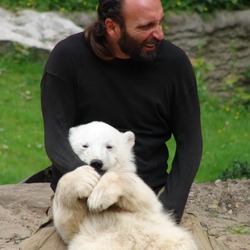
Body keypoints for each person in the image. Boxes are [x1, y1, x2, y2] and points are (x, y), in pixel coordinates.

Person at [20, 0, 204, 249]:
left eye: (160, 22)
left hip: (149, 197)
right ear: (112, 26)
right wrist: (90, 187)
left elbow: (190, 144)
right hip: (81, 203)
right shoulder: (68, 58)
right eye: (146, 26)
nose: (159, 34)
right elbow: (56, 138)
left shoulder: (174, 64)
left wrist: (166, 212)